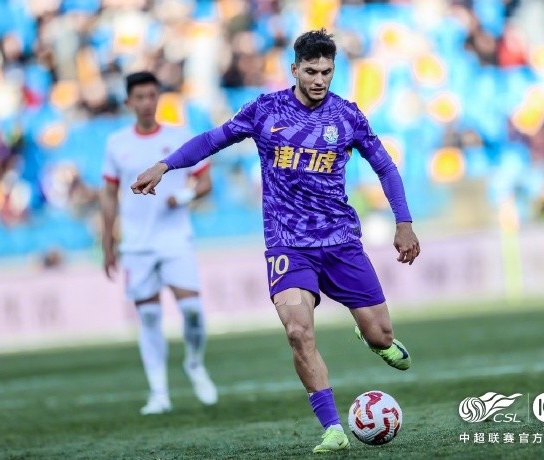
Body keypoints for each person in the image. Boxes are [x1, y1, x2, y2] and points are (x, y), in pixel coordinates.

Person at [131, 30, 420, 451]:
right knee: (298, 331)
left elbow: (386, 168)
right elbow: (212, 140)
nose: (319, 79)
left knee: (381, 335)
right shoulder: (266, 110)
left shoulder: (348, 116)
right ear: (294, 69)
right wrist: (165, 165)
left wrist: (403, 222)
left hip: (340, 242)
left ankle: (371, 337)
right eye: (311, 71)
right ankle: (333, 428)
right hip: (287, 245)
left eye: (327, 72)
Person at [100, 71, 218, 415]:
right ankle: (159, 393)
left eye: (152, 95)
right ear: (128, 102)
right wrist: (108, 242)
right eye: (140, 97)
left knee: (192, 311)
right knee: (149, 316)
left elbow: (205, 183)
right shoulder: (116, 143)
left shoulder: (179, 137)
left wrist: (182, 197)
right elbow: (108, 195)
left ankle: (194, 362)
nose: (147, 103)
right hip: (136, 244)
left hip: (175, 239)